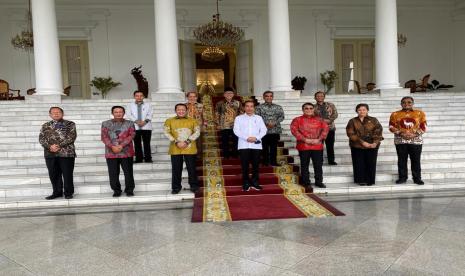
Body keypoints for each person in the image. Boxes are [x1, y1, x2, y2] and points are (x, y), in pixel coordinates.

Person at [39, 107, 77, 200]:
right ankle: (57, 192)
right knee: (53, 174)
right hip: (50, 154)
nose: (56, 114)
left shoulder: (70, 124)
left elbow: (71, 137)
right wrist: (50, 147)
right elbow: (41, 138)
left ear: (62, 114)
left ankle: (68, 193)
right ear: (50, 114)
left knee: (67, 174)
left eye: (58, 112)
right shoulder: (45, 125)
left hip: (66, 153)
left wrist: (58, 145)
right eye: (53, 112)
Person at [389, 96, 427, 185]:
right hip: (400, 140)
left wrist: (415, 134)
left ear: (413, 103)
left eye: (409, 102)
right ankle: (402, 178)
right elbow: (391, 126)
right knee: (402, 159)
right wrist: (400, 133)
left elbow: (424, 126)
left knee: (416, 160)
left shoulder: (420, 113)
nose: (406, 104)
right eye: (404, 102)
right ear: (401, 104)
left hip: (416, 140)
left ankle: (417, 178)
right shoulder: (395, 114)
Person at [290, 102, 329, 188]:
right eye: (306, 108)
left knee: (318, 165)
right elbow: (294, 130)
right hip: (303, 146)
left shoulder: (320, 120)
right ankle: (306, 182)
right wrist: (305, 139)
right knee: (304, 165)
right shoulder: (297, 120)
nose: (309, 110)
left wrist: (318, 139)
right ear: (303, 110)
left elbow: (325, 129)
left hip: (317, 145)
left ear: (314, 109)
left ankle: (319, 181)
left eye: (311, 108)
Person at [164, 103, 201, 194]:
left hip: (190, 148)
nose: (181, 111)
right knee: (176, 168)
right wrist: (176, 141)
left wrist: (187, 142)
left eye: (183, 110)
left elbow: (197, 132)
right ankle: (176, 187)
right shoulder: (169, 121)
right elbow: (166, 132)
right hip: (175, 148)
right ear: (175, 111)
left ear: (186, 110)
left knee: (191, 168)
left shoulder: (193, 120)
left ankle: (194, 186)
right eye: (179, 110)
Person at [101, 106, 136, 197]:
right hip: (111, 152)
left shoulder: (130, 123)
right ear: (112, 113)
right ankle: (116, 190)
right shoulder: (105, 124)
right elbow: (104, 137)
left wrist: (121, 145)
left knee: (128, 172)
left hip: (126, 152)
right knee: (113, 173)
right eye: (116, 112)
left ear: (124, 113)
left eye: (120, 112)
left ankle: (129, 189)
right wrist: (112, 146)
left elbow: (132, 135)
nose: (118, 113)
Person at [233, 100, 268, 191]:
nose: (249, 108)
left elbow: (264, 130)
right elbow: (236, 131)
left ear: (254, 108)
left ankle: (255, 182)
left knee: (256, 165)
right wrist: (246, 138)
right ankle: (246, 183)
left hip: (256, 145)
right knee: (245, 165)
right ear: (244, 108)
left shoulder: (259, 118)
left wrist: (256, 138)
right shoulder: (239, 118)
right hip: (244, 145)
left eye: (251, 106)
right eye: (247, 106)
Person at [346, 103, 384, 186]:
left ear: (367, 110)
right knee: (358, 163)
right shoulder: (352, 121)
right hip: (357, 145)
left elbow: (378, 131)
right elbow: (350, 133)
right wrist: (362, 142)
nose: (362, 111)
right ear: (357, 111)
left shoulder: (374, 120)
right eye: (359, 110)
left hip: (372, 145)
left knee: (371, 163)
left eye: (364, 109)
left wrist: (375, 142)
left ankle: (370, 180)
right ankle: (360, 180)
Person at [255, 91, 284, 166]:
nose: (269, 97)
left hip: (275, 130)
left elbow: (282, 117)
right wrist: (267, 123)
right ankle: (265, 162)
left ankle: (273, 162)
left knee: (274, 148)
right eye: (267, 96)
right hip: (263, 131)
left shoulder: (278, 107)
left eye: (270, 96)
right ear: (264, 97)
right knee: (264, 147)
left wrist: (274, 123)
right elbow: (257, 117)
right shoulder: (258, 107)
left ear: (272, 97)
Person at [126, 90, 153, 163]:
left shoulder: (149, 105)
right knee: (137, 143)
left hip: (146, 126)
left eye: (141, 95)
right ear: (134, 96)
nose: (139, 97)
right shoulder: (130, 105)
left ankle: (148, 158)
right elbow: (129, 114)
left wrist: (144, 122)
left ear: (143, 96)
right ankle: (139, 158)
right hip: (135, 126)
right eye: (137, 96)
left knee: (146, 143)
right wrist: (136, 121)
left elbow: (150, 114)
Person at [215, 87, 242, 159]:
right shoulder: (220, 103)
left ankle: (235, 155)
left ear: (233, 94)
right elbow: (217, 114)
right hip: (224, 125)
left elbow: (241, 113)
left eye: (231, 93)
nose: (229, 94)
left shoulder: (237, 103)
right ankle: (226, 155)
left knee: (235, 140)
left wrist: (241, 124)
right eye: (227, 93)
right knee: (225, 141)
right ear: (224, 94)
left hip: (235, 125)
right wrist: (217, 124)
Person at [314, 91, 339, 165]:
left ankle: (331, 160)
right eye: (318, 96)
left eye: (321, 96)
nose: (320, 97)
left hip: (330, 128)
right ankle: (319, 160)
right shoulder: (313, 107)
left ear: (324, 97)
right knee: (319, 145)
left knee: (330, 145)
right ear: (315, 98)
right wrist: (322, 121)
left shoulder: (331, 105)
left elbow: (335, 114)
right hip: (319, 129)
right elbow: (312, 117)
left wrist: (329, 120)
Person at [185, 91, 205, 156]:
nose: (192, 98)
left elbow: (204, 116)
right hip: (187, 128)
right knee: (189, 142)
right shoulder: (184, 106)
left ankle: (198, 157)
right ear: (187, 97)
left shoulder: (201, 106)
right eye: (190, 96)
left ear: (197, 97)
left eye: (194, 96)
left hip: (198, 127)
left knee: (199, 143)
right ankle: (190, 157)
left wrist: (204, 125)